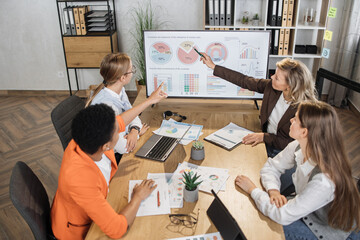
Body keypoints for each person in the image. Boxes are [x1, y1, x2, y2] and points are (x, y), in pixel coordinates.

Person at [51, 84, 167, 239]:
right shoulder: (81, 180)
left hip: (99, 198)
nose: (120, 129)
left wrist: (149, 100)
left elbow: (120, 121)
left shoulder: (87, 139)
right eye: (117, 132)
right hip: (80, 231)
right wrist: (138, 197)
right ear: (106, 145)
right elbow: (117, 229)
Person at [235, 101, 360, 240]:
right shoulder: (298, 145)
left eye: (295, 118)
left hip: (323, 229)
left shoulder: (324, 180)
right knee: (263, 210)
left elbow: (283, 215)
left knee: (261, 227)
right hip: (305, 207)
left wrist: (252, 190)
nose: (291, 120)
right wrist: (273, 191)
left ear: (304, 132)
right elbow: (272, 166)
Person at [200, 54, 317, 157]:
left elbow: (295, 143)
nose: (271, 78)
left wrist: (264, 137)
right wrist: (213, 66)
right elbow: (244, 80)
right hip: (264, 140)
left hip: (284, 153)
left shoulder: (305, 109)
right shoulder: (272, 87)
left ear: (289, 86)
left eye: (276, 78)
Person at [86, 53, 149, 156]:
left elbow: (131, 114)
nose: (133, 73)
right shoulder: (106, 105)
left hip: (121, 144)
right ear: (123, 78)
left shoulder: (119, 91)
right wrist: (137, 134)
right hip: (109, 157)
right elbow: (124, 148)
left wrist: (134, 131)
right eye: (131, 70)